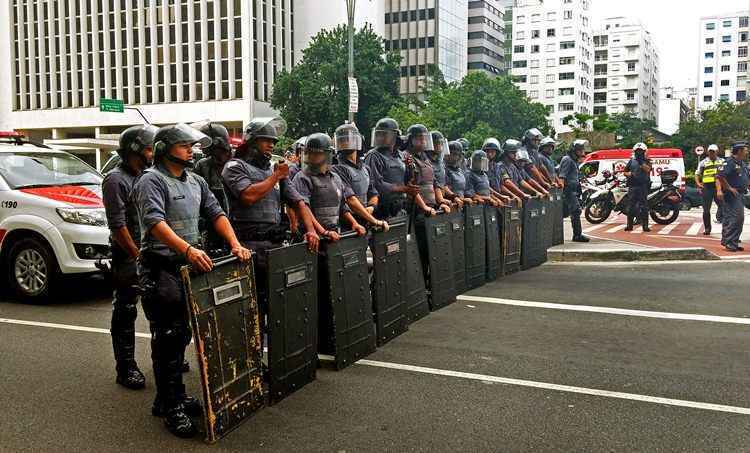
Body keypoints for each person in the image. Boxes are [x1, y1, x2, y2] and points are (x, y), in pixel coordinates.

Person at [133, 123, 251, 438]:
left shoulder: (196, 180)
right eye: (185, 145)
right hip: (161, 266)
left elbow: (216, 214)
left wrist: (235, 243)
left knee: (183, 333)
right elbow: (155, 222)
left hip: (189, 266)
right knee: (168, 335)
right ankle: (171, 406)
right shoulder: (151, 181)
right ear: (164, 149)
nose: (191, 150)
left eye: (191, 145)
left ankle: (169, 395)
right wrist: (187, 249)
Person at [221, 117, 320, 321]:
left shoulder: (273, 169)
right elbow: (248, 196)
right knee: (250, 304)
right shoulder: (234, 167)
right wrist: (275, 177)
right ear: (252, 140)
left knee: (276, 301)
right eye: (266, 140)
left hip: (272, 246)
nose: (271, 145)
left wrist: (310, 230)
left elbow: (298, 202)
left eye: (273, 142)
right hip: (247, 245)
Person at [102, 124, 158, 391]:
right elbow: (118, 226)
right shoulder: (115, 179)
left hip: (150, 251)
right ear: (135, 149)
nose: (152, 153)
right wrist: (138, 256)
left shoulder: (149, 176)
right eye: (149, 148)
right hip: (128, 256)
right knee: (125, 310)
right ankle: (125, 367)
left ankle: (166, 359)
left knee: (161, 307)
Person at [292, 133, 386, 236]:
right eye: (308, 152)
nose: (310, 156)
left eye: (316, 153)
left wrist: (354, 223)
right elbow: (304, 208)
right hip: (312, 236)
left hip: (333, 234)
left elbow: (342, 206)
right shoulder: (301, 177)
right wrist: (323, 232)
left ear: (328, 154)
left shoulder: (335, 178)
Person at [331, 123, 390, 231]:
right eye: (342, 140)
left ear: (358, 140)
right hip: (349, 225)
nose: (346, 142)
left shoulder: (365, 168)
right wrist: (374, 221)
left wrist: (371, 207)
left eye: (349, 139)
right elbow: (350, 200)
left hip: (366, 221)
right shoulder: (336, 169)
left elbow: (373, 192)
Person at [365, 118, 420, 220]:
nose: (381, 138)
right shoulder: (374, 155)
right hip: (382, 208)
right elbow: (377, 184)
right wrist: (404, 189)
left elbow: (408, 180)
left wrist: (410, 168)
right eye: (379, 134)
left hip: (400, 207)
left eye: (385, 134)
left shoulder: (400, 155)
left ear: (395, 136)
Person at [192, 121, 233, 254]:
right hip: (211, 228)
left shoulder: (238, 162)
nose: (201, 146)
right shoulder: (202, 165)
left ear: (216, 142)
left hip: (238, 227)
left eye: (204, 141)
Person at [405, 124, 451, 216]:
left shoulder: (425, 157)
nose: (423, 141)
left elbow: (434, 182)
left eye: (425, 138)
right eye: (419, 138)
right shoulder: (406, 157)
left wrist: (440, 201)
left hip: (431, 208)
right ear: (411, 140)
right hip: (416, 210)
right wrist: (424, 207)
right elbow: (410, 187)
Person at [716, 142, 750, 252]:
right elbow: (720, 176)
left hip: (741, 193)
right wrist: (728, 188)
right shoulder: (729, 162)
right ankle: (730, 242)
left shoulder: (742, 163)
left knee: (734, 218)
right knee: (736, 218)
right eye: (745, 149)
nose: (747, 151)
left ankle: (731, 242)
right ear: (739, 151)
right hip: (732, 195)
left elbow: (746, 179)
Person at [558, 139, 590, 242]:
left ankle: (575, 234)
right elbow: (562, 176)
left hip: (572, 190)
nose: (582, 152)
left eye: (582, 150)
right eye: (579, 150)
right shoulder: (567, 159)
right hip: (567, 191)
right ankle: (577, 235)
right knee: (576, 211)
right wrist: (561, 191)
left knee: (565, 213)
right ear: (574, 150)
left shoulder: (574, 161)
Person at [695, 144, 724, 234]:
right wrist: (698, 183)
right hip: (707, 187)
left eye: (713, 152)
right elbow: (697, 174)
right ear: (708, 152)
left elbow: (726, 174)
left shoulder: (722, 161)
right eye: (710, 152)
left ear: (717, 152)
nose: (712, 153)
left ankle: (725, 228)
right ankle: (707, 228)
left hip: (718, 187)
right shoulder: (703, 162)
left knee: (723, 207)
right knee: (706, 209)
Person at [623, 142, 652, 232]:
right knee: (631, 206)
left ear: (644, 152)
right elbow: (625, 171)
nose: (639, 153)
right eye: (637, 151)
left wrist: (641, 162)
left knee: (644, 207)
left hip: (643, 186)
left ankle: (645, 226)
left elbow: (648, 169)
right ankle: (629, 225)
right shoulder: (631, 161)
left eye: (641, 151)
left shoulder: (648, 161)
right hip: (632, 186)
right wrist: (629, 174)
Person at [444, 141, 475, 206]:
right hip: (451, 205)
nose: (451, 156)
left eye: (455, 154)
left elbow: (466, 189)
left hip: (461, 204)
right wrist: (457, 198)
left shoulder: (460, 171)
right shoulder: (444, 170)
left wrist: (472, 197)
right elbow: (445, 189)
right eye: (450, 153)